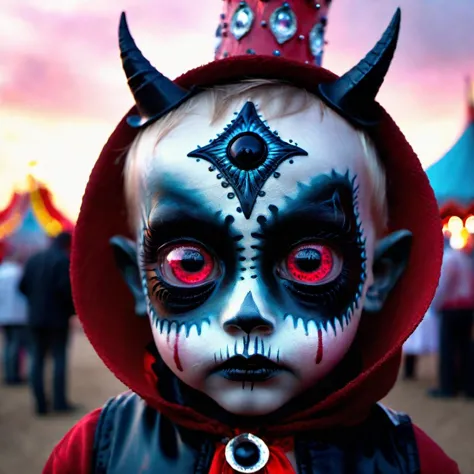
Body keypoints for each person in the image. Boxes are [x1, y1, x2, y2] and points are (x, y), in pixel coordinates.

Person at [44, 2, 459, 473]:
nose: (247, 312)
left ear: (379, 275)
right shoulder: (93, 453)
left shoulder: (413, 463)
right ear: (137, 278)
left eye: (309, 261)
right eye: (188, 263)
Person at [19, 231, 76, 415]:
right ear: (67, 244)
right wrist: (70, 311)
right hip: (57, 319)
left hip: (35, 318)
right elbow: (66, 290)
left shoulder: (33, 259)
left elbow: (21, 286)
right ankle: (59, 402)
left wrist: (34, 302)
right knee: (59, 358)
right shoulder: (62, 260)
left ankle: (40, 404)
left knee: (36, 359)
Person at [429, 238, 474, 398]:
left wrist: (435, 304)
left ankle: (447, 386)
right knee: (465, 348)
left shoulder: (449, 258)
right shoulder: (467, 259)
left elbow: (442, 285)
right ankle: (467, 386)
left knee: (448, 348)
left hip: (451, 309)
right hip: (467, 309)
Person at [0, 247, 29, 385]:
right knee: (16, 346)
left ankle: (8, 373)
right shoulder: (18, 272)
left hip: (4, 315)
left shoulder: (2, 272)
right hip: (18, 315)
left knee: (7, 345)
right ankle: (14, 374)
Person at [402, 305, 439, 380]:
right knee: (411, 344)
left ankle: (409, 372)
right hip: (416, 314)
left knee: (412, 344)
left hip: (424, 314)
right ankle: (409, 372)